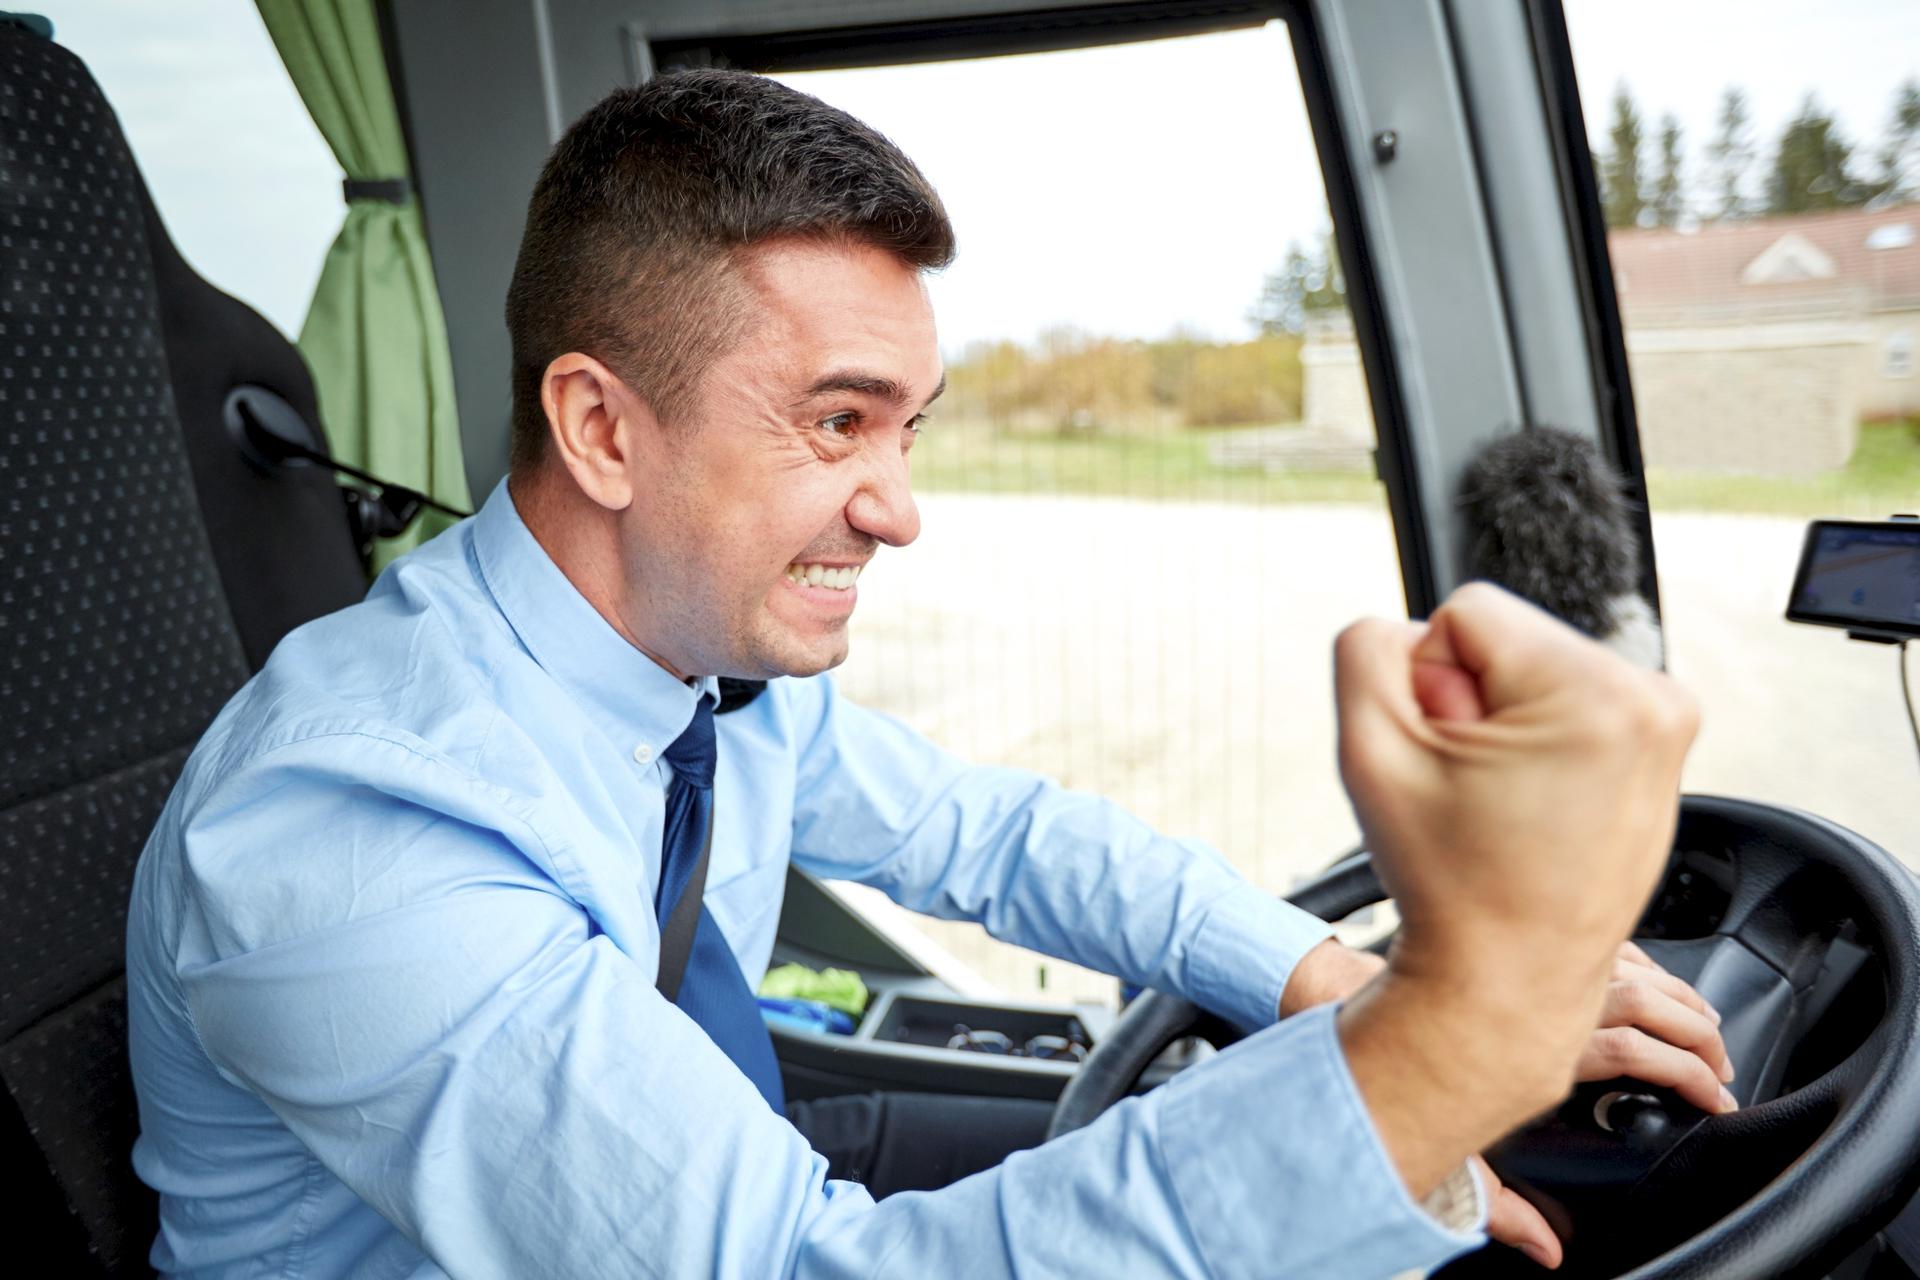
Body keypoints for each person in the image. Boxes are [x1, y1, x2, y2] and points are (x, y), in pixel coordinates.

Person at [126, 70, 1721, 1278]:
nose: (898, 507)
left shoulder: (697, 664)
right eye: (835, 423)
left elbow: (1000, 836)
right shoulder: (351, 831)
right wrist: (1453, 1041)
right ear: (604, 429)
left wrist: (1332, 985)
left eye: (910, 425)